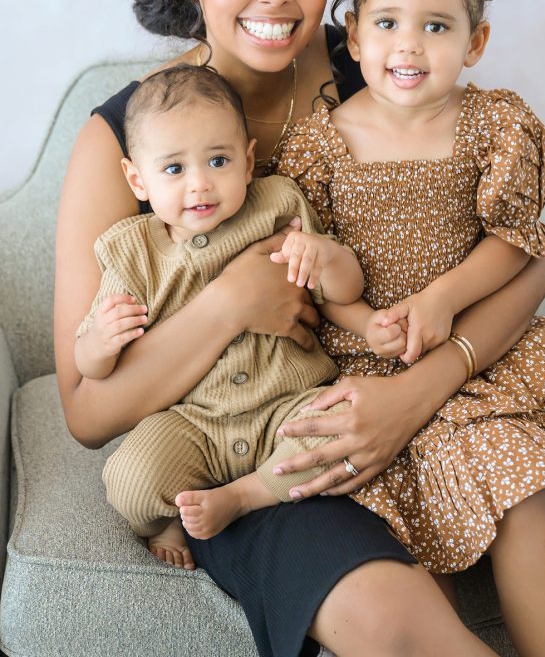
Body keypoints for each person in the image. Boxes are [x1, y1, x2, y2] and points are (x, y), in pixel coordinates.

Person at [54, 0, 545, 657]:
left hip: (406, 398)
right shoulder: (131, 138)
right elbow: (85, 410)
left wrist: (413, 396)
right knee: (388, 620)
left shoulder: (381, 75)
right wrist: (229, 305)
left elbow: (532, 262)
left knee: (543, 508)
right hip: (247, 444)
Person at [275, 0, 545, 651]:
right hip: (378, 362)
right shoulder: (319, 145)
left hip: (490, 344)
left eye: (436, 27)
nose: (410, 47)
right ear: (354, 36)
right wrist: (365, 323)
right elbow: (323, 274)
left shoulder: (494, 125)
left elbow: (515, 243)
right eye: (387, 24)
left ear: (475, 41)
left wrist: (444, 298)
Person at [74, 62, 363, 566]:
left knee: (348, 424)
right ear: (136, 179)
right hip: (193, 424)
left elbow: (341, 296)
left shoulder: (278, 205)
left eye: (218, 161)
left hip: (287, 406)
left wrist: (327, 256)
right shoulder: (131, 251)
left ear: (248, 162)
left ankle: (248, 494)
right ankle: (167, 520)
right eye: (174, 169)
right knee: (129, 478)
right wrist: (99, 342)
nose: (200, 185)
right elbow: (91, 367)